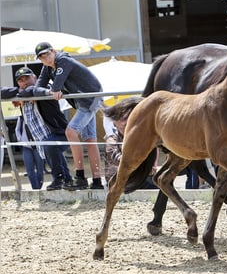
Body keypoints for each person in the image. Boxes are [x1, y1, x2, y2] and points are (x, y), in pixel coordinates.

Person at [34, 42, 104, 190]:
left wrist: (53, 90)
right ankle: (97, 181)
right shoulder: (48, 68)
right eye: (41, 57)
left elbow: (57, 86)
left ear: (53, 51)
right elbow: (36, 89)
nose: (45, 58)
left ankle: (80, 177)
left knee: (70, 132)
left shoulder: (63, 60)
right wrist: (48, 92)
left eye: (47, 54)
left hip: (90, 98)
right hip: (82, 101)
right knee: (90, 140)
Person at [3, 67, 73, 190]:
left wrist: (22, 94)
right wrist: (20, 94)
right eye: (21, 80)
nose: (25, 82)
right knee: (53, 151)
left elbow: (32, 90)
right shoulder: (22, 95)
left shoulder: (44, 89)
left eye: (27, 78)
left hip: (60, 133)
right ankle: (68, 180)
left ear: (35, 77)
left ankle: (59, 179)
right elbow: (2, 92)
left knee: (50, 144)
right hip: (40, 138)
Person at [102, 97, 158, 189]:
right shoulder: (112, 139)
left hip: (137, 177)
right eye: (121, 119)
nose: (125, 123)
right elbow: (118, 158)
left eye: (127, 118)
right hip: (121, 181)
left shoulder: (137, 137)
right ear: (115, 122)